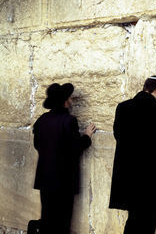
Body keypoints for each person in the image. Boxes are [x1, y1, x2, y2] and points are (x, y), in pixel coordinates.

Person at [109, 75, 156, 234]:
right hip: (148, 178)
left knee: (133, 219)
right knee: (147, 222)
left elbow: (118, 135)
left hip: (127, 175)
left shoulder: (122, 107)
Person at [33, 83, 96, 234]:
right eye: (69, 98)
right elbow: (75, 148)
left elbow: (37, 145)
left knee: (47, 219)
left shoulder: (42, 120)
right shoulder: (69, 121)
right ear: (64, 101)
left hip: (45, 179)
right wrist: (87, 136)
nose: (71, 101)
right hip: (63, 181)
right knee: (62, 222)